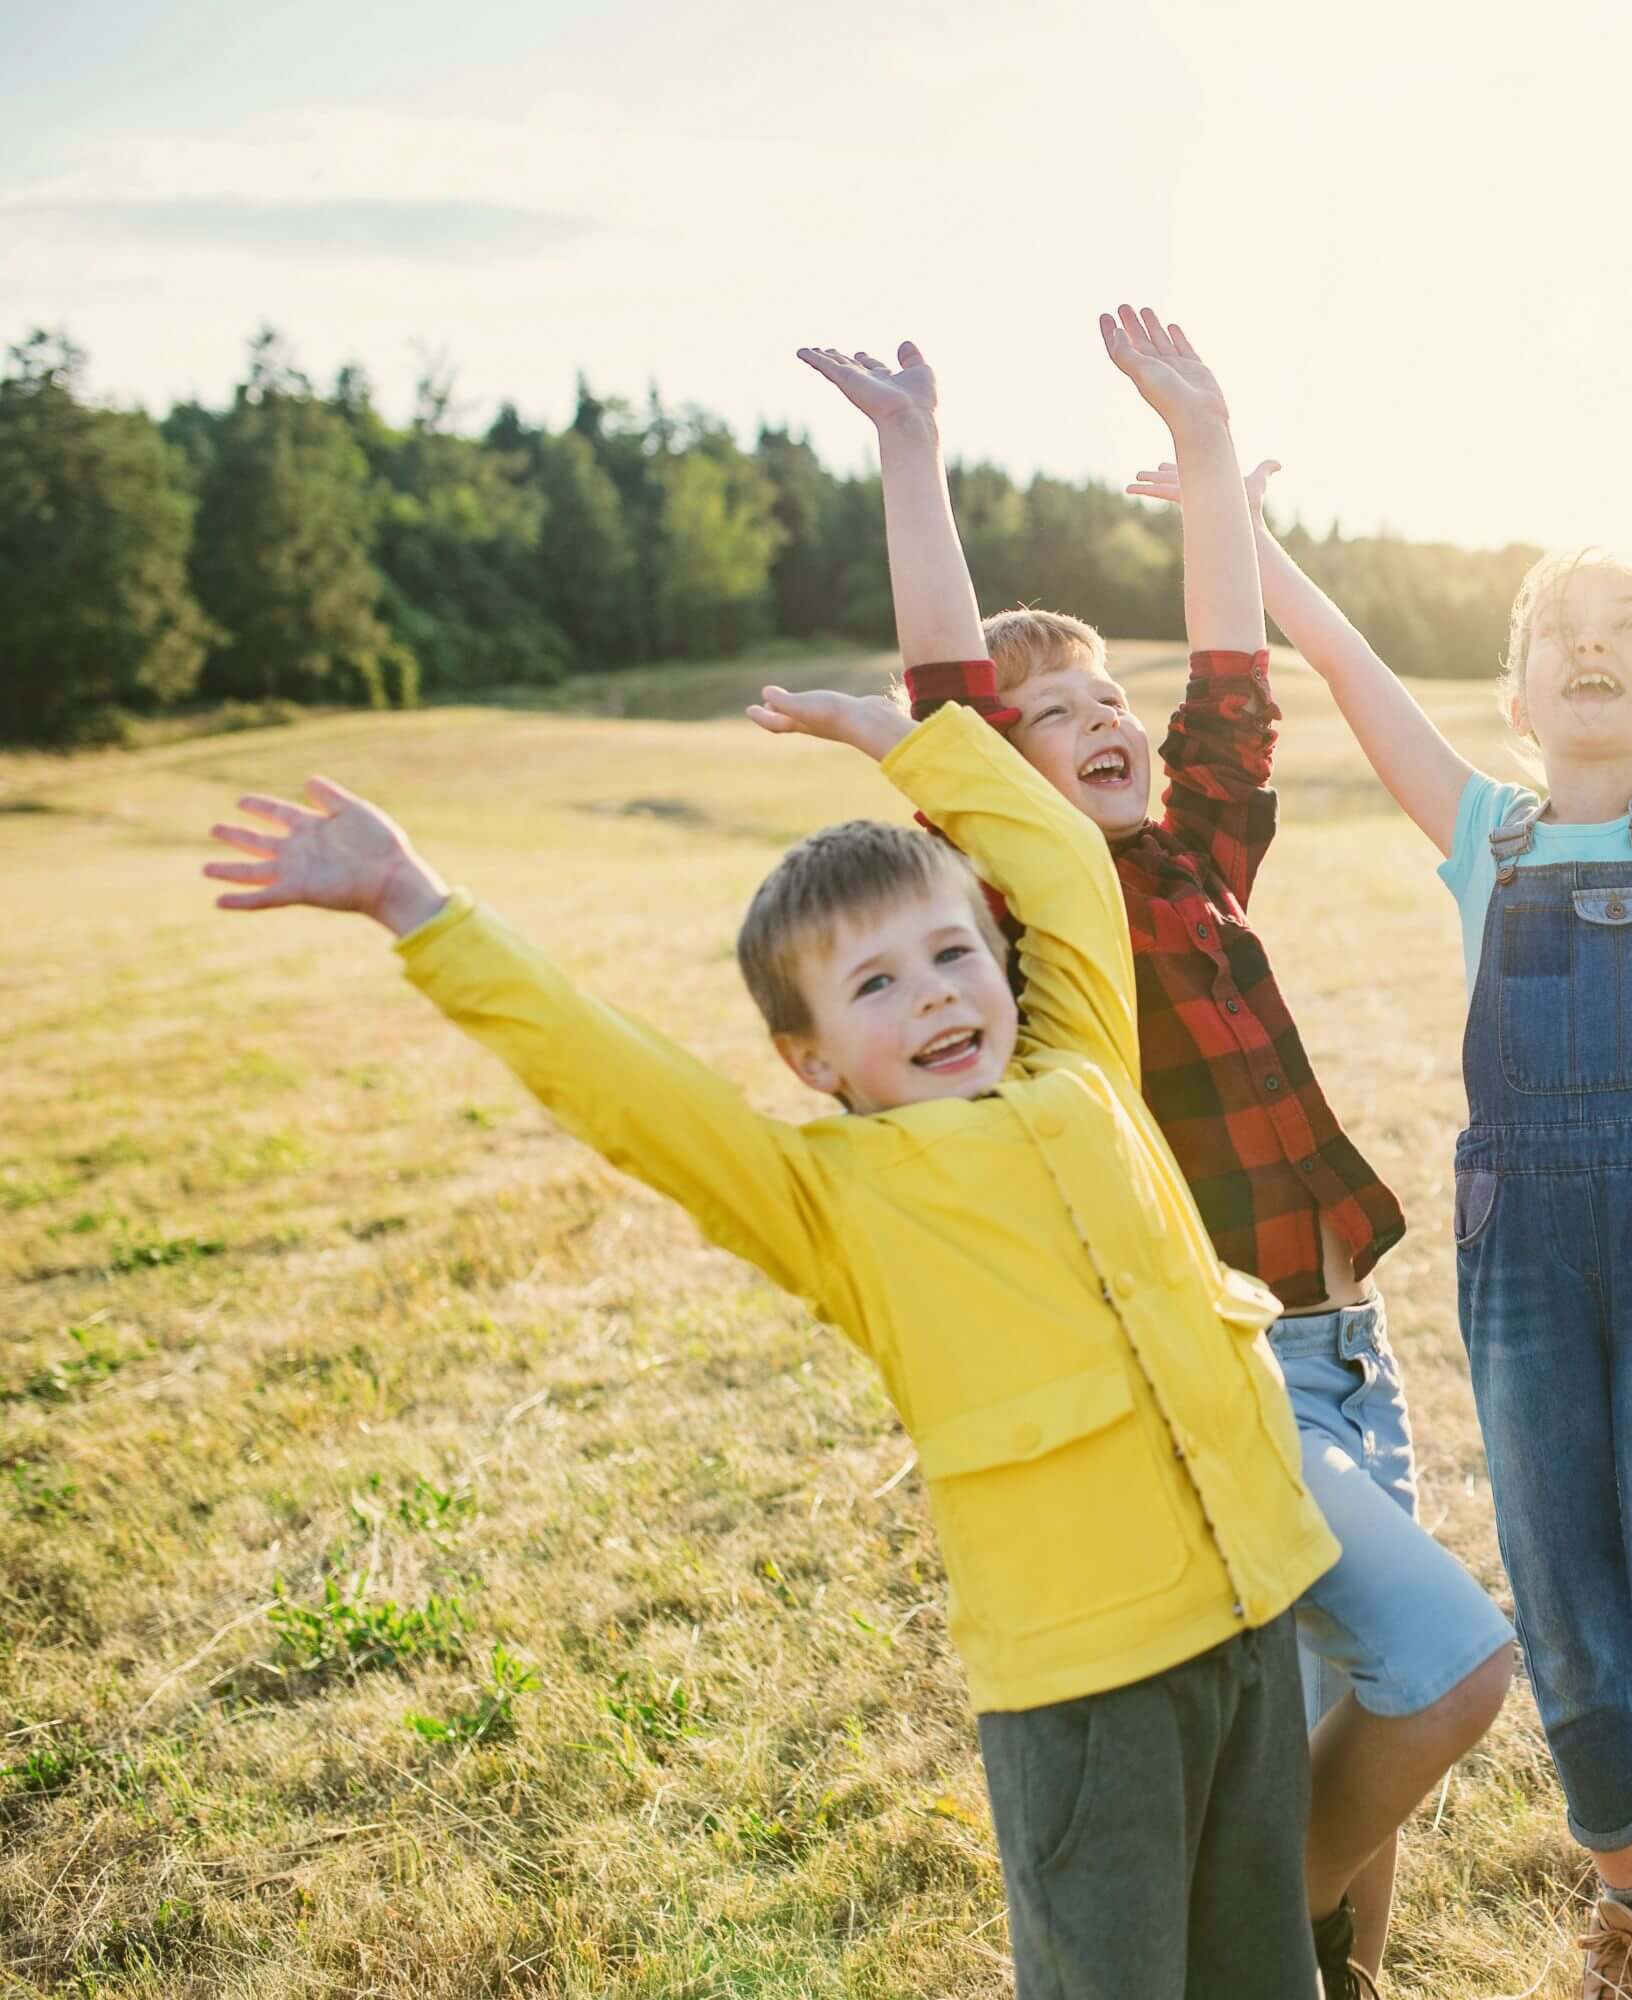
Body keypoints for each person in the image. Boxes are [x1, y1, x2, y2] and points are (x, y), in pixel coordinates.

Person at [201, 302, 1350, 2000]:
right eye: (878, 985)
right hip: (1086, 1684)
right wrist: (419, 908)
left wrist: (915, 743)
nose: (941, 995)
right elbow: (629, 1090)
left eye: (956, 953)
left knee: (1265, 1975)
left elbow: (1043, 845)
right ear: (813, 1060)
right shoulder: (834, 1197)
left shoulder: (1082, 1053)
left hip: (1256, 1625)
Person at [1134, 287, 1632, 1997]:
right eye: (1556, 624)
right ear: (1515, 690)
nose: (1588, 641)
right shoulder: (1481, 833)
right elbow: (1335, 661)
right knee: (1567, 1638)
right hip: (1519, 1253)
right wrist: (1226, 513)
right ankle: (1628, 1874)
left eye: (1629, 621)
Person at [798, 311, 1516, 2000]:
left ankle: (1338, 1971)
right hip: (1239, 1366)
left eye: (1108, 695)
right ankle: (1241, 1951)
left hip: (1358, 1353)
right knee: (1442, 1671)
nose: (1101, 719)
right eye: (1054, 715)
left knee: (1347, 1726)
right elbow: (947, 699)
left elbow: (1235, 675)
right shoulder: (1045, 925)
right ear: (1005, 782)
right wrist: (915, 452)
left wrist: (1206, 453)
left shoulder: (1201, 852)